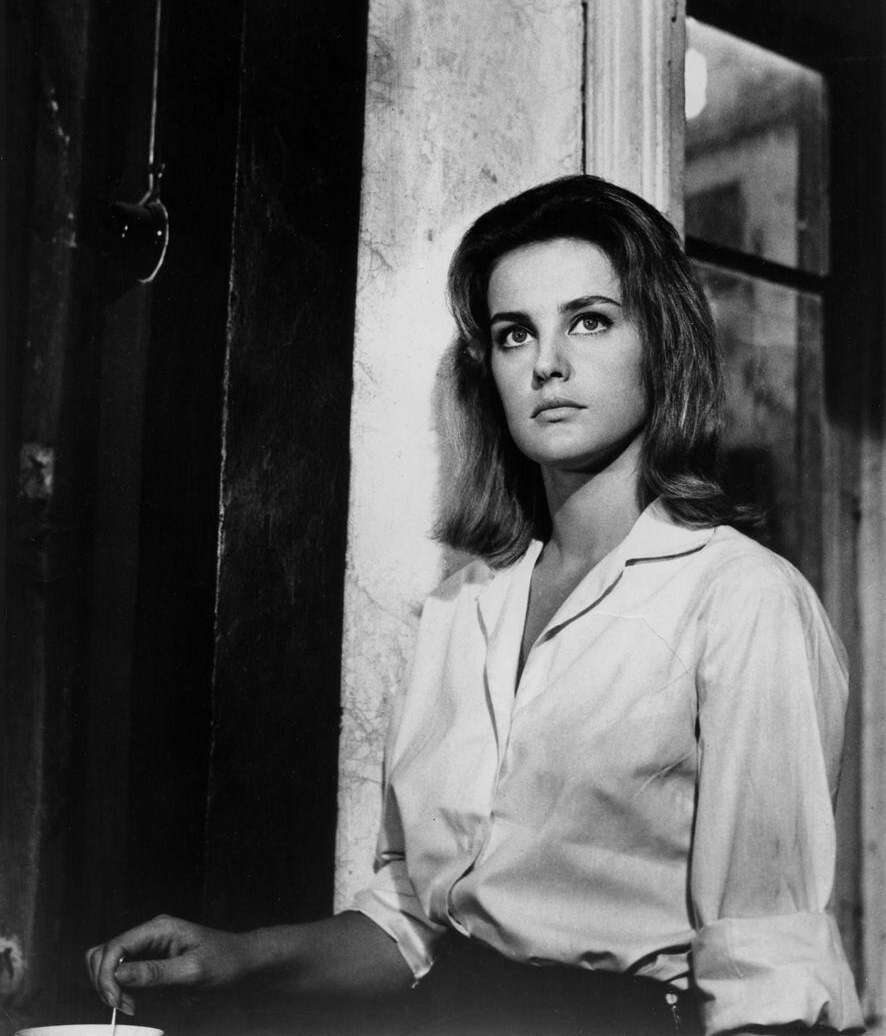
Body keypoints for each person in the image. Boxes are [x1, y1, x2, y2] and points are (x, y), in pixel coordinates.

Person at [87, 175, 865, 1036]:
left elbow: (767, 975)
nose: (546, 363)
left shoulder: (744, 599)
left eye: (590, 320)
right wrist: (239, 957)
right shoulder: (465, 605)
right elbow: (412, 923)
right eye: (513, 334)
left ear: (663, 341)